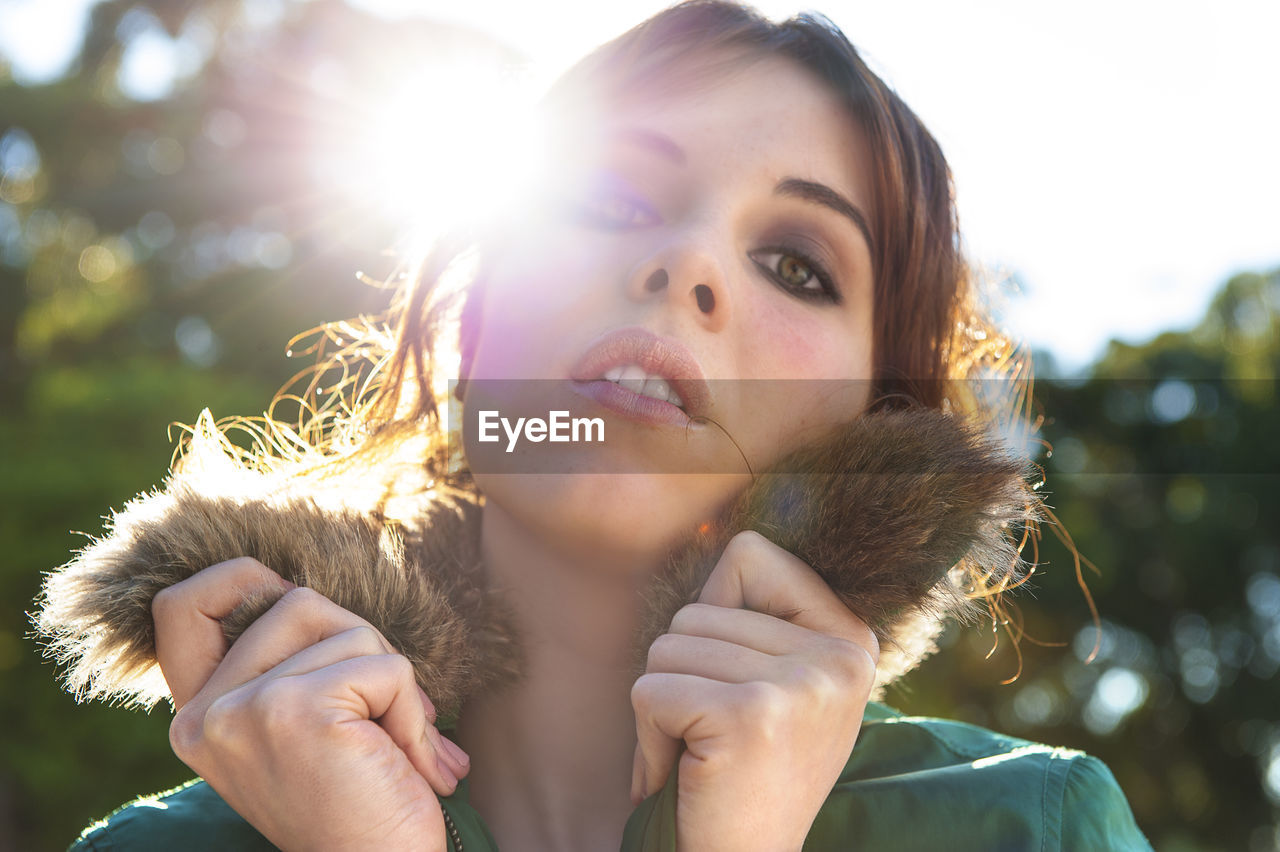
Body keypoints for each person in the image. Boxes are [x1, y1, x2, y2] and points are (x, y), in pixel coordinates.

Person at [38, 2, 1151, 849]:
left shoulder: (1029, 825)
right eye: (614, 200)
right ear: (474, 310)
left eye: (795, 264)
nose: (688, 265)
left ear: (878, 422)